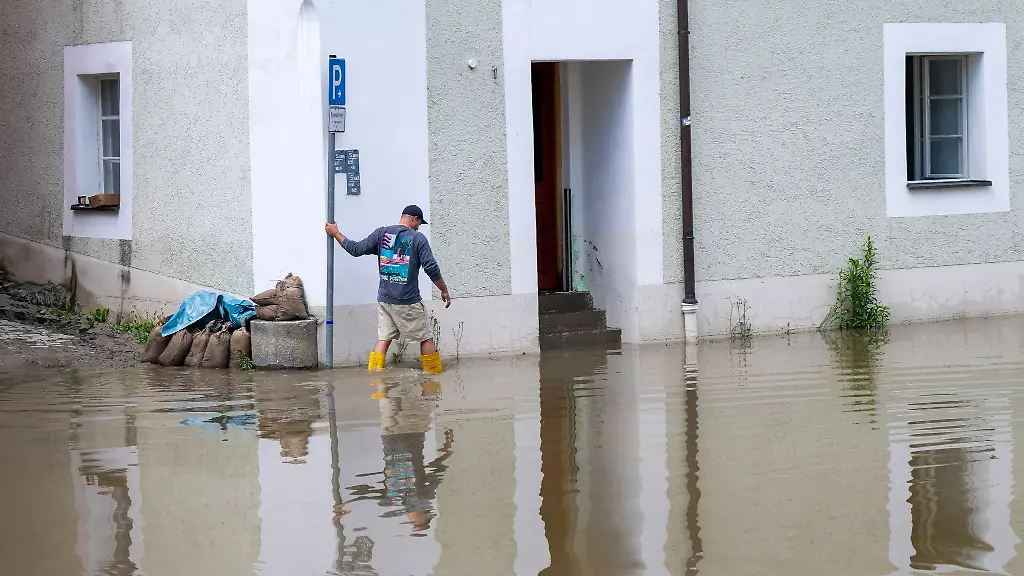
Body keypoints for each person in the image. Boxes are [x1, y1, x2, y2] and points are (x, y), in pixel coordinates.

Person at [326, 205, 451, 373]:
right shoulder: (418, 238)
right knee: (425, 337)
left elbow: (355, 249)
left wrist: (335, 233)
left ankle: (377, 385)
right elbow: (431, 268)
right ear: (415, 219)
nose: (418, 227)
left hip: (385, 301)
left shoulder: (381, 234)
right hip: (408, 301)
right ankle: (433, 380)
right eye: (419, 223)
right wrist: (443, 290)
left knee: (383, 339)